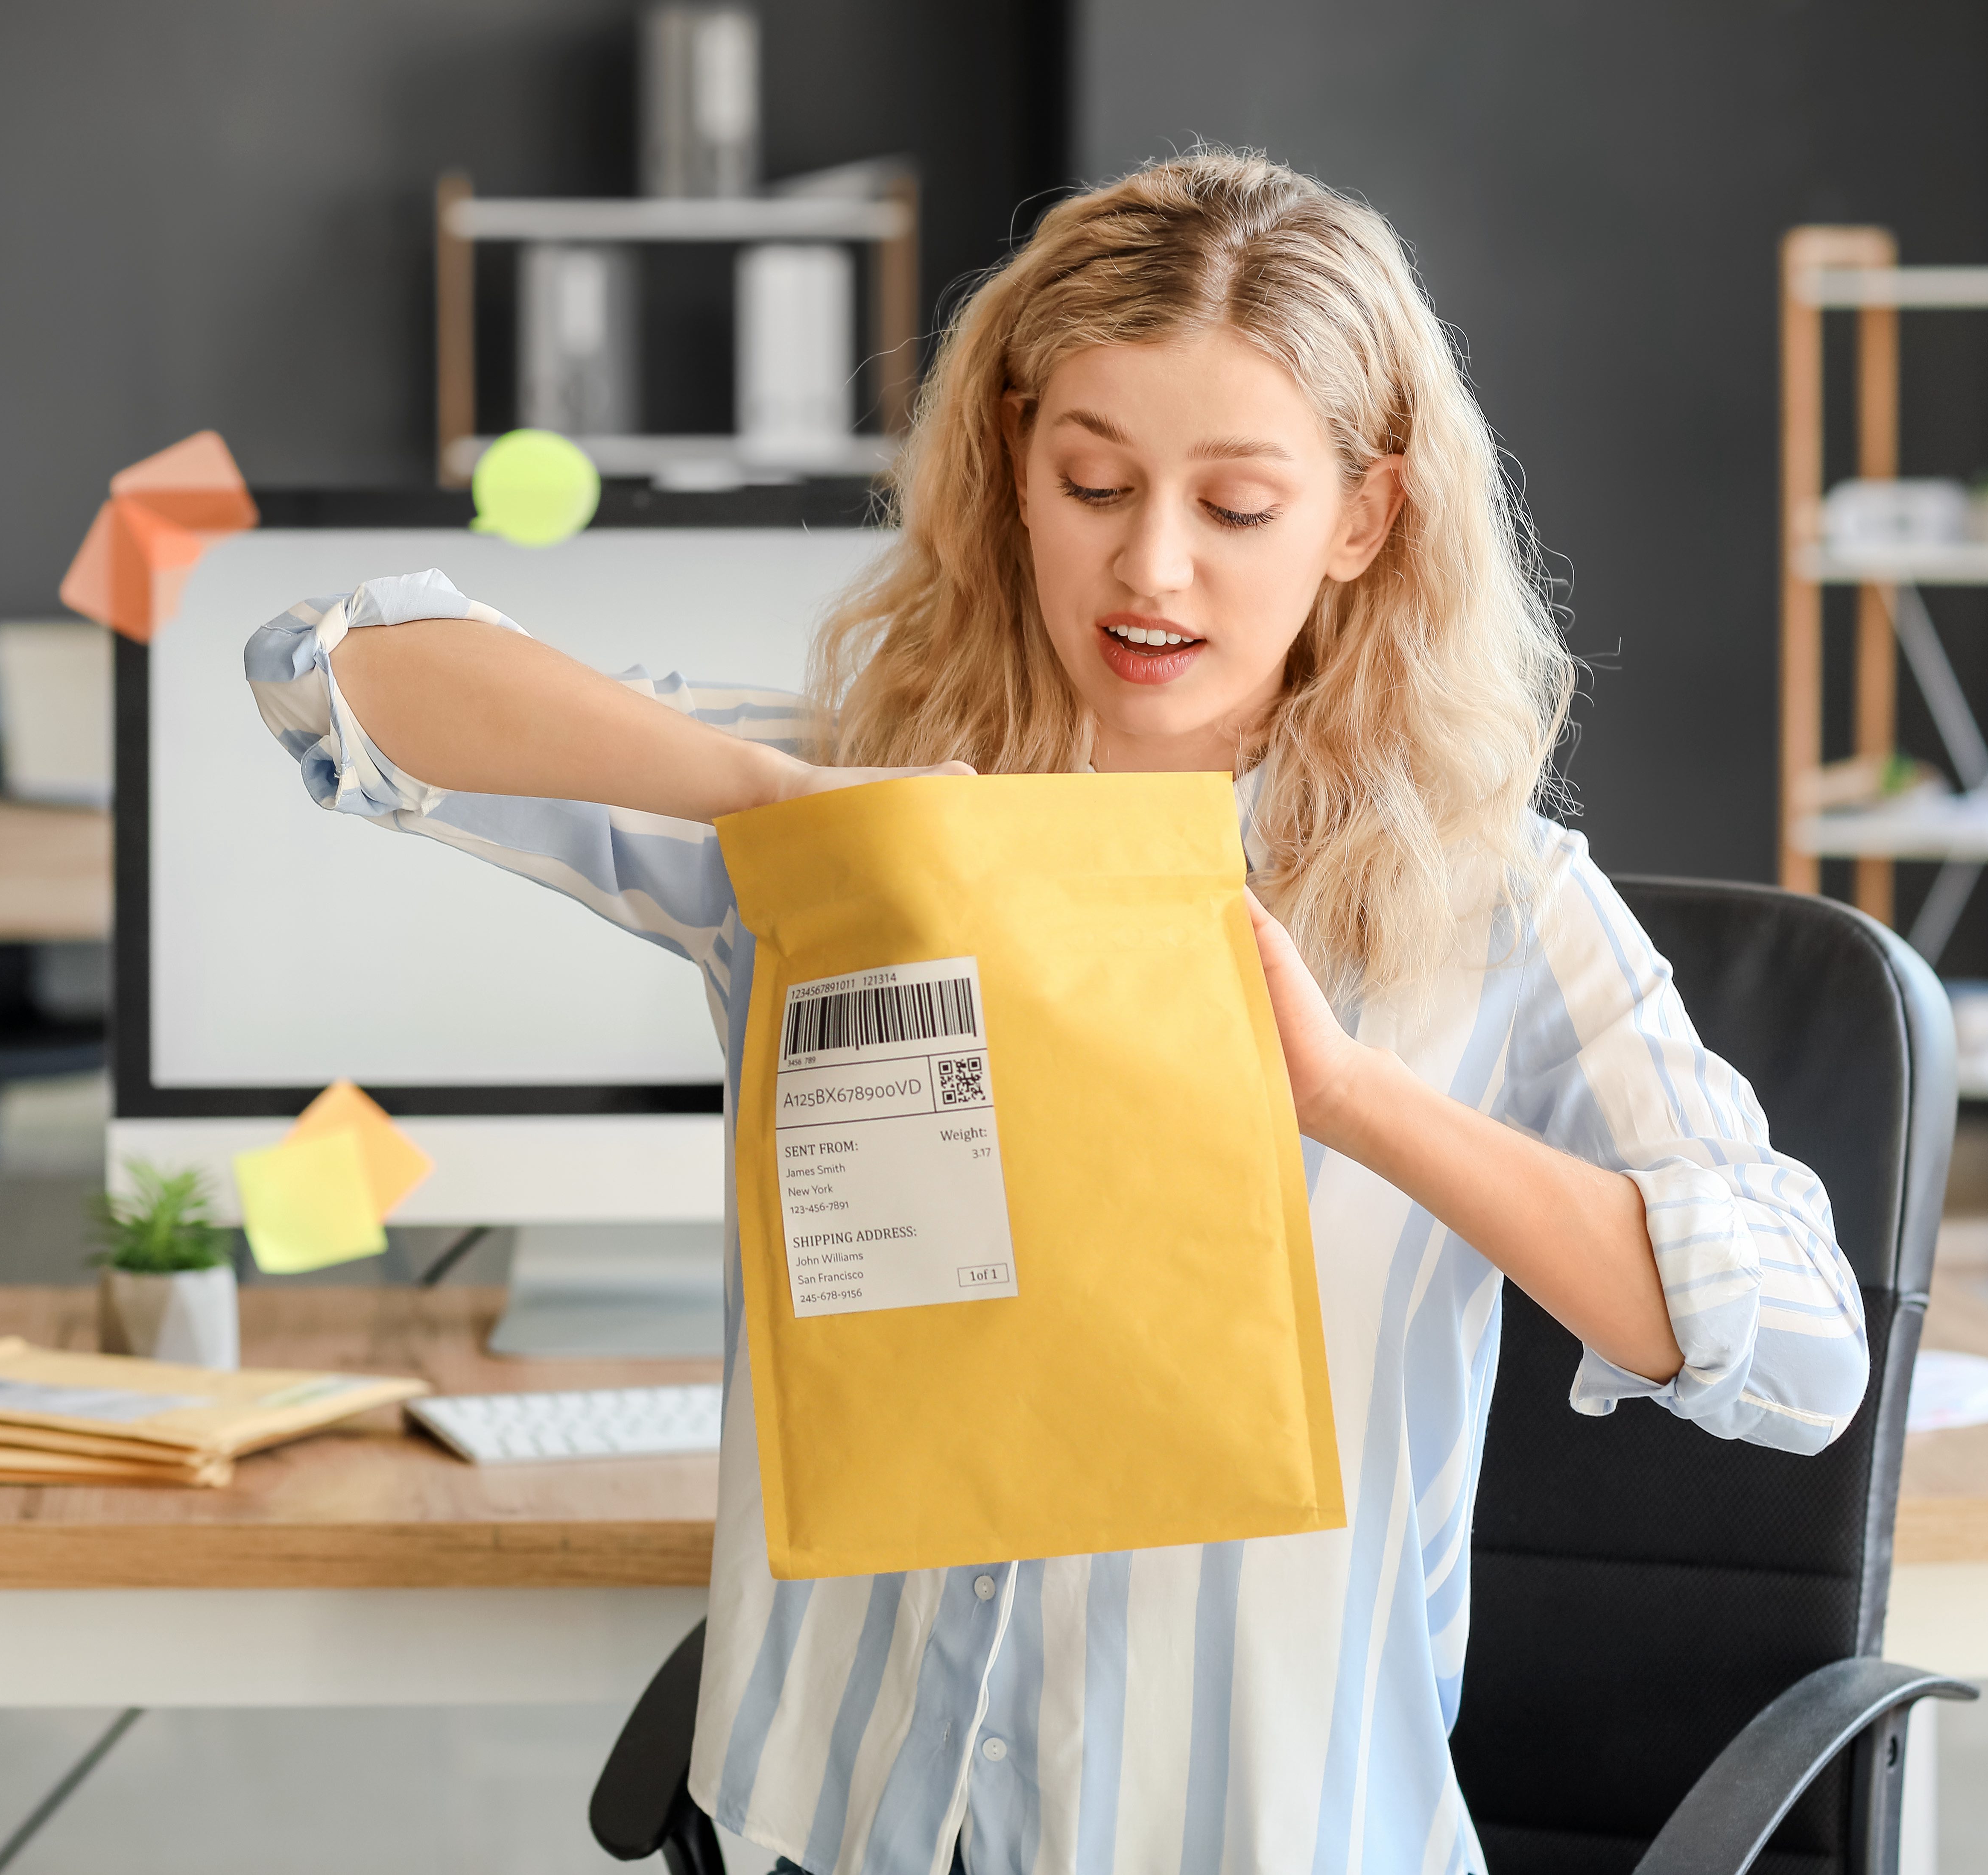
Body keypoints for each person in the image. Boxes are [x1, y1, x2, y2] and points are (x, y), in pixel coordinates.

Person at [243, 148, 1868, 1875]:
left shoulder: (1495, 903)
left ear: (1363, 519)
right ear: (1017, 466)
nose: (1152, 568)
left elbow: (1800, 1349)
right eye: (1094, 481)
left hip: (1255, 1838)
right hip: (848, 1817)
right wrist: (777, 805)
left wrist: (1352, 1101)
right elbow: (326, 670)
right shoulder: (855, 807)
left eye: (1237, 509)